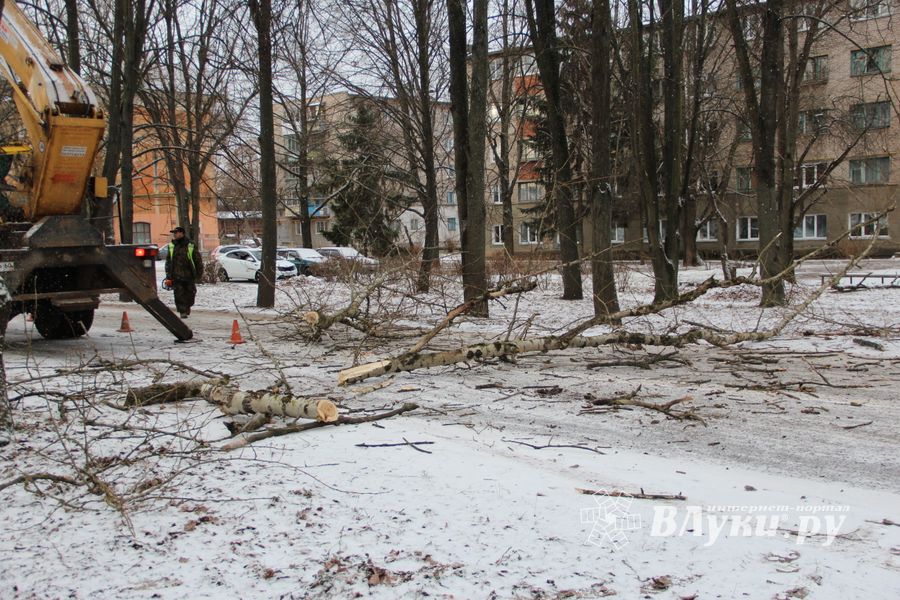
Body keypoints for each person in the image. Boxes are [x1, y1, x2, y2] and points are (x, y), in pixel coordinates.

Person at [164, 226, 203, 318]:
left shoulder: (190, 245)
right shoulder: (172, 246)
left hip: (189, 275)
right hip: (176, 275)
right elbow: (168, 261)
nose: (174, 234)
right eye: (174, 233)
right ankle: (182, 311)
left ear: (182, 233)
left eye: (176, 233)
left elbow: (197, 260)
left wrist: (199, 273)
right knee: (178, 294)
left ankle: (187, 306)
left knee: (191, 293)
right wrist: (168, 275)